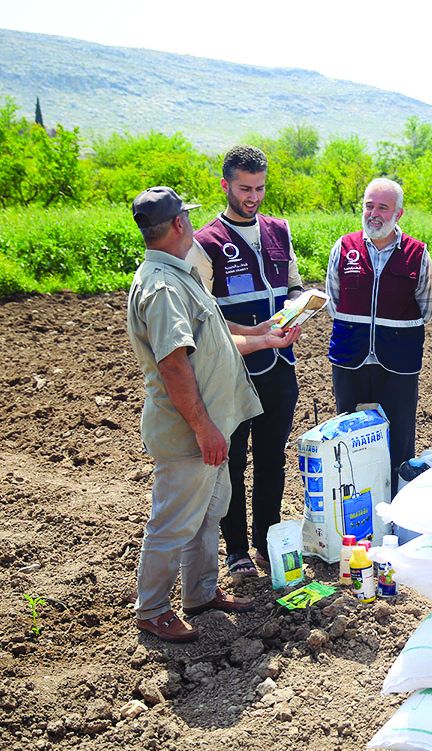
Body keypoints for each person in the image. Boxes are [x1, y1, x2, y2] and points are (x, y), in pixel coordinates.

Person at [126, 186, 299, 642]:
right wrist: (203, 428)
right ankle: (153, 608)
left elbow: (217, 338)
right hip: (188, 431)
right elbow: (173, 364)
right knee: (173, 520)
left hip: (209, 424)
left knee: (206, 513)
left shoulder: (179, 275)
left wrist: (263, 336)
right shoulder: (163, 286)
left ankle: (200, 592)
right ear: (180, 224)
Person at [189, 145, 304, 578]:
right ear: (225, 186)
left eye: (259, 187)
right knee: (234, 461)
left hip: (280, 367)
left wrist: (298, 310)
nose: (253, 197)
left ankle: (267, 540)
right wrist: (255, 335)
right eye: (244, 188)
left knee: (272, 458)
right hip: (233, 371)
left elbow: (292, 284)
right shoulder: (205, 243)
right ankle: (236, 548)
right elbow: (204, 312)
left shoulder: (279, 230)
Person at [325, 178, 432, 489]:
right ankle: (354, 503)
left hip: (399, 362)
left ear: (398, 213)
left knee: (399, 438)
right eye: (369, 206)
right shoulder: (344, 248)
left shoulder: (417, 253)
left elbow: (426, 308)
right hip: (350, 357)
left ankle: (398, 508)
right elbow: (334, 300)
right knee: (348, 436)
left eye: (382, 207)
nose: (374, 213)